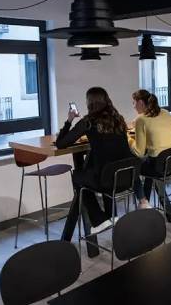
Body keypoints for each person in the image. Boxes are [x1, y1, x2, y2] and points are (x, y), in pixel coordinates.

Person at [57, 87, 136, 238]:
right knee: (100, 167)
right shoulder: (118, 119)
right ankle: (111, 217)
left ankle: (99, 220)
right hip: (126, 177)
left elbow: (61, 143)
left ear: (90, 103)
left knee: (77, 177)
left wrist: (69, 120)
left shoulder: (88, 122)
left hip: (106, 179)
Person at [128, 90, 171, 212]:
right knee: (148, 163)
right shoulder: (165, 112)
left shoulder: (141, 119)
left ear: (141, 103)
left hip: (157, 166)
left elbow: (139, 152)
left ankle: (143, 201)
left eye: (134, 103)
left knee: (133, 167)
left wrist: (128, 139)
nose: (133, 106)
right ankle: (145, 203)